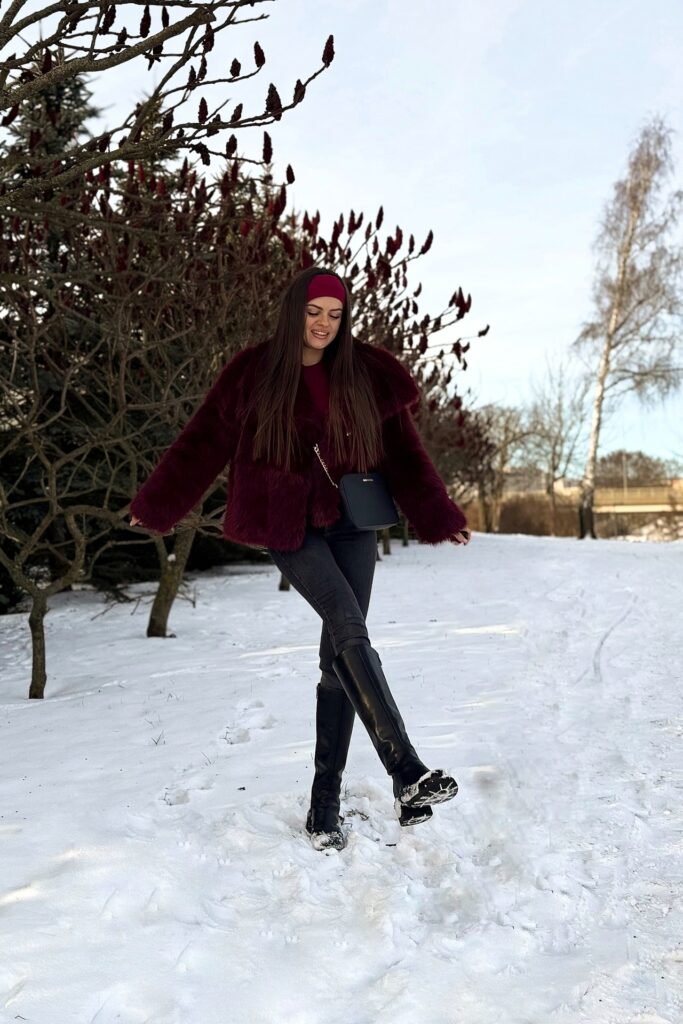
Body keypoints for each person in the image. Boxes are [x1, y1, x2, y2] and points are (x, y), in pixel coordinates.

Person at [129, 266, 471, 852]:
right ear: (295, 311)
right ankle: (406, 770)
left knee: (338, 654)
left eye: (335, 315)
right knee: (346, 623)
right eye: (315, 312)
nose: (323, 325)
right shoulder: (254, 373)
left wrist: (439, 514)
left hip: (353, 525)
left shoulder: (365, 374)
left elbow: (406, 455)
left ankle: (324, 809)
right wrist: (159, 504)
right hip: (286, 524)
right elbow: (202, 441)